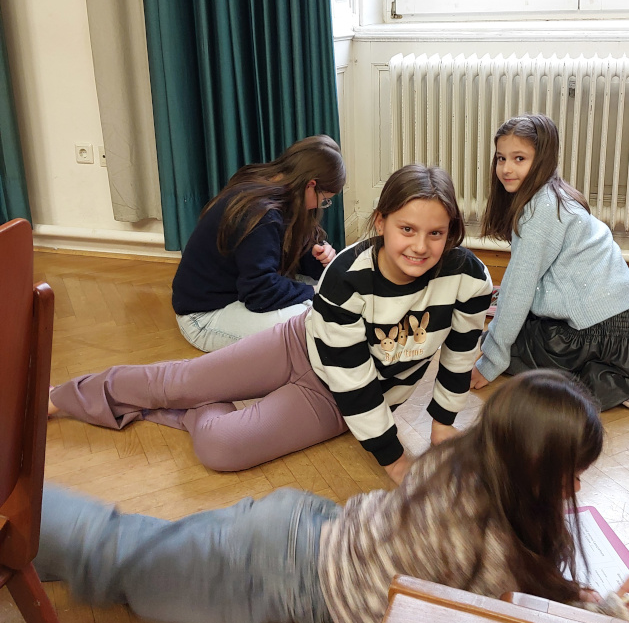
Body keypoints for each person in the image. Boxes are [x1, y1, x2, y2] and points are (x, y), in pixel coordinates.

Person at [37, 371, 629, 623]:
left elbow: (519, 596)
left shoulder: (465, 461)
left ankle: (24, 543)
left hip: (299, 530)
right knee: (112, 554)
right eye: (570, 474)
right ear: (530, 464)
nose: (577, 487)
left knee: (128, 547)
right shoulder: (482, 539)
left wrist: (588, 603)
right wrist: (611, 618)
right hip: (276, 568)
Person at [49, 165, 493, 482]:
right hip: (297, 344)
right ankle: (58, 398)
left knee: (220, 447)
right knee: (176, 381)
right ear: (381, 222)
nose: (420, 246)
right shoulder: (345, 276)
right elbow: (351, 371)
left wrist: (442, 426)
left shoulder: (469, 279)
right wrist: (395, 461)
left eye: (436, 233)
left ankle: (200, 405)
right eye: (407, 229)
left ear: (451, 230)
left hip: (335, 398)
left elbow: (457, 358)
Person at [471, 114, 629, 413]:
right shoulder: (559, 193)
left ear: (543, 159)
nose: (506, 169)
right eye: (501, 158)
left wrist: (489, 364)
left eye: (519, 158)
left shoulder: (539, 211)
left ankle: (625, 382)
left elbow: (518, 291)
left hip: (602, 339)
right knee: (506, 335)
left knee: (509, 347)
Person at [172, 135, 346, 352]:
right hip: (204, 316)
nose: (320, 206)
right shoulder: (260, 213)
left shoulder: (276, 189)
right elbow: (260, 293)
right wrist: (313, 291)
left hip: (242, 290)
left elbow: (279, 256)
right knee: (316, 323)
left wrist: (317, 255)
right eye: (325, 200)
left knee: (330, 293)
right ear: (311, 185)